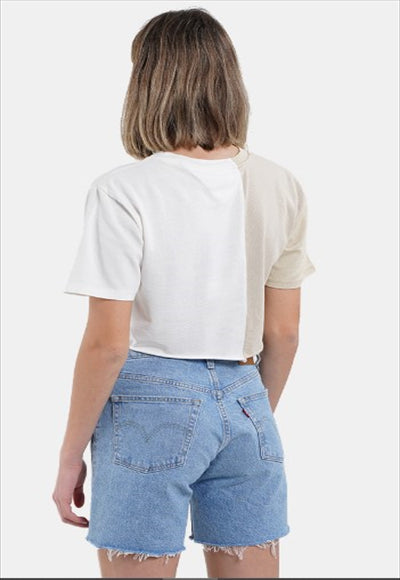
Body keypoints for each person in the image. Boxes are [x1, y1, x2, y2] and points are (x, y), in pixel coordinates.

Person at [52, 7, 316, 579]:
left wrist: (71, 454)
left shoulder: (123, 190)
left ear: (146, 83)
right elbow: (284, 332)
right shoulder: (281, 184)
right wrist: (244, 414)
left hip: (149, 401)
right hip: (248, 397)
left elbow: (106, 345)